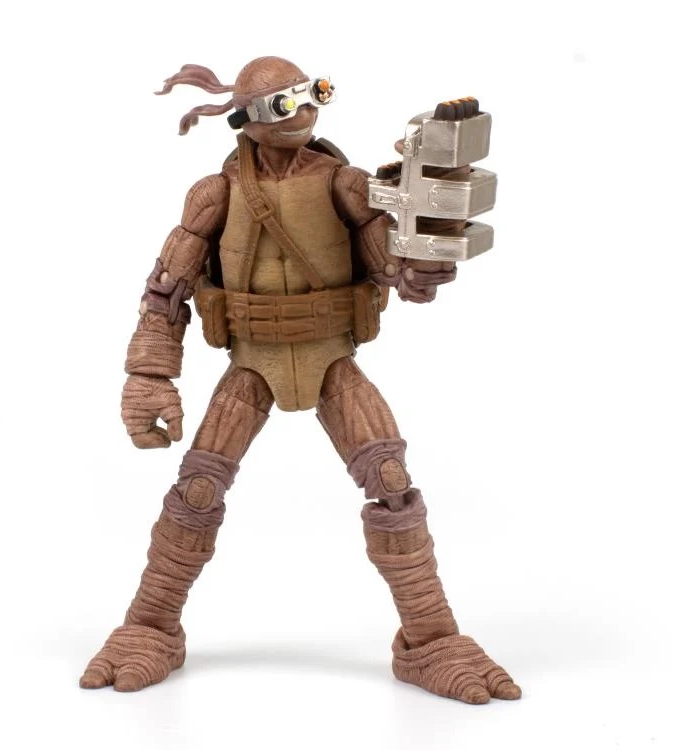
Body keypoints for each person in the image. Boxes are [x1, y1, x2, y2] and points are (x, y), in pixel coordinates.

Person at [79, 56, 520, 704]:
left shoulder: (346, 185)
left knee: (391, 483)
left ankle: (432, 640)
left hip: (330, 356)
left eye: (315, 94)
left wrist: (427, 246)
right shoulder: (215, 194)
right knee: (196, 491)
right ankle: (148, 628)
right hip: (251, 363)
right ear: (246, 119)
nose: (305, 112)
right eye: (285, 104)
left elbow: (393, 268)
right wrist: (149, 375)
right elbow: (166, 290)